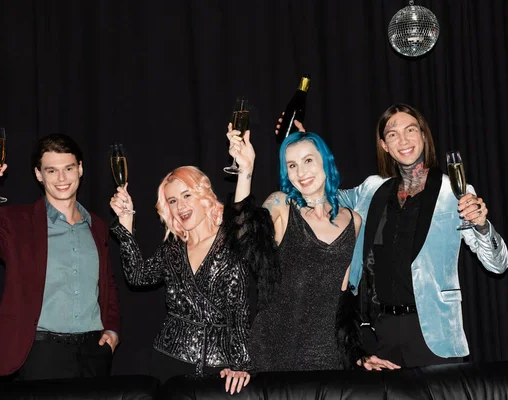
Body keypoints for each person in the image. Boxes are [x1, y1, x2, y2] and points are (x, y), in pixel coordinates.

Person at [335, 104, 508, 369]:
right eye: (393, 134)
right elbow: (321, 195)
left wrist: (483, 225)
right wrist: (301, 142)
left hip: (435, 334)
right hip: (379, 337)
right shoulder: (371, 189)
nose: (403, 140)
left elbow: (498, 264)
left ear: (424, 136)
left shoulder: (455, 191)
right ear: (384, 145)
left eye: (410, 130)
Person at [109, 126, 277, 394]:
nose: (181, 206)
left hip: (223, 368)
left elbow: (241, 313)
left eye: (187, 195)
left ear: (203, 196)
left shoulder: (234, 237)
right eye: (173, 200)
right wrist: (126, 223)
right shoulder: (172, 250)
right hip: (167, 362)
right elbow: (137, 276)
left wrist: (246, 170)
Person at [0, 134, 120, 380]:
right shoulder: (16, 222)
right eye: (51, 171)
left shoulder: (96, 225)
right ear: (39, 174)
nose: (61, 178)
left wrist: (113, 330)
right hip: (41, 354)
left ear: (80, 169)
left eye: (68, 169)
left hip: (94, 353)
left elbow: (107, 284)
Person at [250, 131, 362, 371]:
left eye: (308, 160)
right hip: (274, 351)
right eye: (292, 165)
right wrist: (245, 171)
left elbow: (345, 299)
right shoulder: (280, 205)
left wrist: (355, 352)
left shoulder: (354, 221)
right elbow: (244, 241)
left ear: (325, 161)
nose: (301, 173)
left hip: (328, 354)